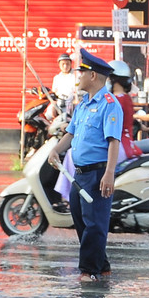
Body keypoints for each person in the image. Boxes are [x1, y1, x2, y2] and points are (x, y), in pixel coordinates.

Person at [48, 48, 122, 282]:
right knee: (80, 219)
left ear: (93, 76)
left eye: (81, 72)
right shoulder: (83, 105)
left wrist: (109, 173)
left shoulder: (109, 104)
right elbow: (70, 134)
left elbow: (113, 141)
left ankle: (89, 271)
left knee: (94, 224)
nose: (78, 76)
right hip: (79, 174)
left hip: (98, 173)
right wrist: (55, 150)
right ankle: (102, 265)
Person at [109, 60, 142, 160]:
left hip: (118, 147)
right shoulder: (126, 98)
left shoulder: (116, 100)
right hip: (127, 145)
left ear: (114, 79)